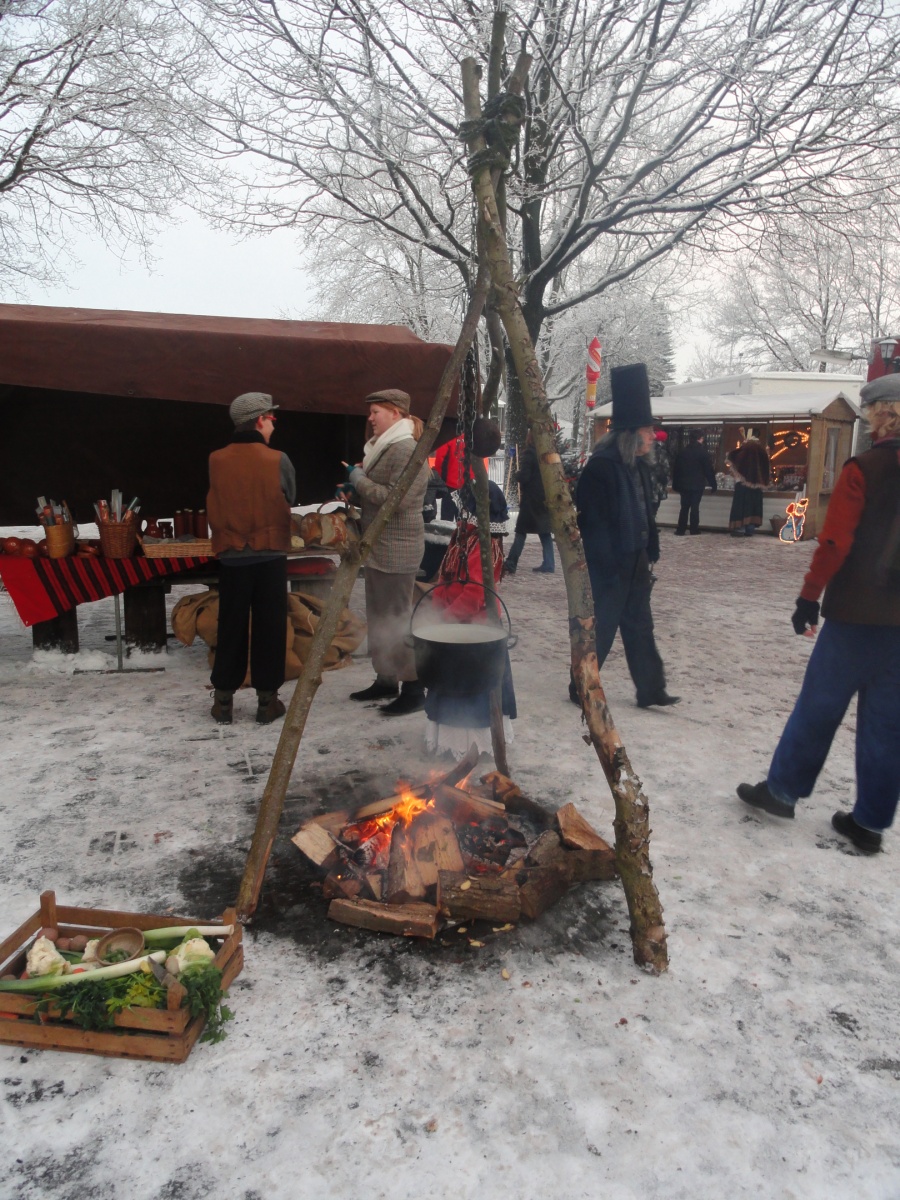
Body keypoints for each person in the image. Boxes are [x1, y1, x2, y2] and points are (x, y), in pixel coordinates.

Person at [736, 374, 900, 852]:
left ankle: (783, 792)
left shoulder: (863, 468)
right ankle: (869, 822)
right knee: (889, 722)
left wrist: (809, 596)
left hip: (856, 614)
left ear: (878, 414)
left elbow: (835, 542)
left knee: (820, 703)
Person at [573, 362, 679, 709]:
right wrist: (608, 562)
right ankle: (580, 688)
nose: (653, 437)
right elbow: (591, 524)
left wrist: (650, 548)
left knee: (639, 628)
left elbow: (645, 513)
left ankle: (650, 689)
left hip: (635, 561)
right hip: (610, 565)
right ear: (631, 434)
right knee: (600, 631)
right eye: (648, 431)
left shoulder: (638, 467)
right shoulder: (601, 469)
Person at [207, 391, 296, 725]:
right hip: (270, 556)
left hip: (231, 557)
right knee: (270, 627)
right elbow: (291, 494)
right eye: (272, 418)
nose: (274, 424)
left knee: (230, 625)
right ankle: (266, 701)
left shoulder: (215, 459)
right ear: (260, 420)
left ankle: (223, 702)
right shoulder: (278, 459)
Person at [344, 388, 431, 716]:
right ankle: (385, 679)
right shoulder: (386, 446)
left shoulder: (406, 448)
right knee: (379, 616)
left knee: (397, 618)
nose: (370, 418)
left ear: (396, 413)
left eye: (376, 411)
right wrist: (356, 489)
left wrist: (359, 480)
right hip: (380, 546)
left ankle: (412, 687)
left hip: (398, 548)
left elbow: (399, 500)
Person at [423, 479, 516, 759]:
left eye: (465, 509)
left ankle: (473, 742)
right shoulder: (462, 537)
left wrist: (447, 619)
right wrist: (438, 609)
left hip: (475, 631)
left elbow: (476, 592)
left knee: (472, 687)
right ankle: (450, 740)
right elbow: (445, 577)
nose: (460, 515)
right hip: (453, 625)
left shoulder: (483, 544)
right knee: (448, 683)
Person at [504, 430, 555, 574]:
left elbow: (525, 476)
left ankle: (511, 562)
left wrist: (517, 475)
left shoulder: (529, 454)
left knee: (521, 531)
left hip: (530, 499)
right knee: (545, 532)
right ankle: (549, 563)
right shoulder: (547, 454)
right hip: (543, 497)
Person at [672, 430, 717, 535]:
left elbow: (676, 469)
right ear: (700, 438)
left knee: (684, 507)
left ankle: (681, 529)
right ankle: (694, 529)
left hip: (683, 484)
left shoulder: (683, 452)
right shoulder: (703, 453)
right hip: (697, 484)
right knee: (695, 507)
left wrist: (675, 484)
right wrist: (713, 484)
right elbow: (708, 470)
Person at [727, 430, 770, 536]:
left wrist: (729, 456)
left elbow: (734, 457)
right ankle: (750, 529)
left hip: (743, 483)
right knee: (754, 506)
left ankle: (740, 528)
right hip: (757, 484)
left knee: (741, 506)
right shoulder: (762, 450)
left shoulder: (746, 448)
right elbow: (766, 467)